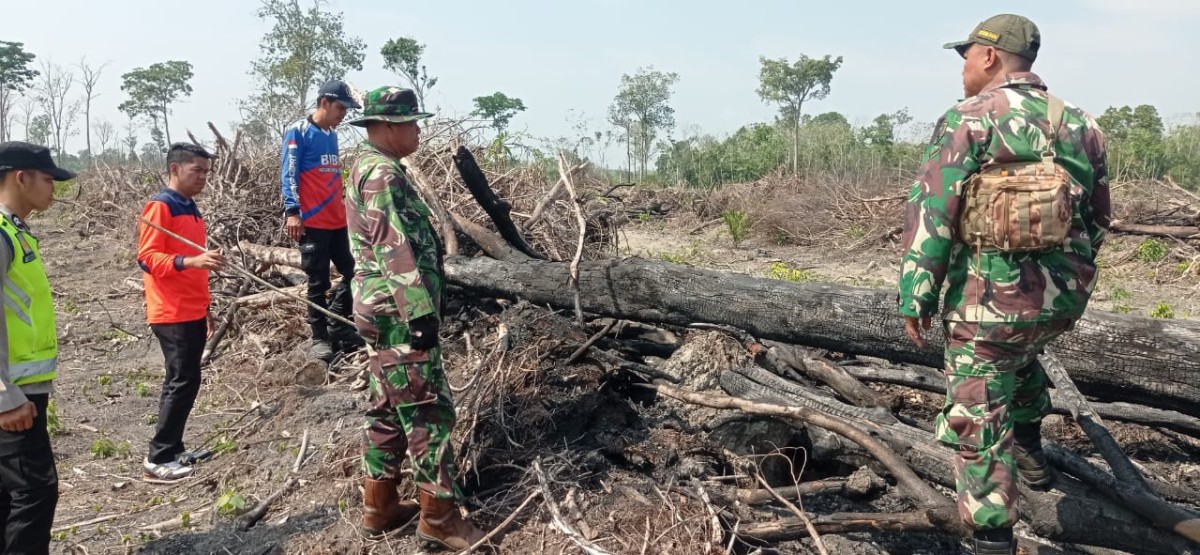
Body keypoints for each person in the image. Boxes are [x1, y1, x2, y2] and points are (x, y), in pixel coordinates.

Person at [897, 14, 1110, 555]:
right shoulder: (1082, 123)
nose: (964, 66)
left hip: (988, 305)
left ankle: (992, 537)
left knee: (977, 406)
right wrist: (1067, 280)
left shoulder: (968, 118)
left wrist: (916, 295)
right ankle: (1034, 452)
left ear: (989, 57)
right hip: (1060, 304)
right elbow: (1099, 218)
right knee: (1018, 353)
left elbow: (933, 214)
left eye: (966, 55)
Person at [342, 86, 485, 550]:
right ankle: (439, 518)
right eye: (413, 122)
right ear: (387, 127)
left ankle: (379, 507)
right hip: (397, 316)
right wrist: (420, 313)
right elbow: (392, 245)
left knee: (387, 408)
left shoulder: (371, 166)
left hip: (381, 311)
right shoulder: (382, 174)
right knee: (428, 411)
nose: (419, 129)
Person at [0, 141, 74, 554]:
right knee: (35, 491)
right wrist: (5, 393)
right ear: (21, 177)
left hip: (23, 388)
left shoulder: (15, 230)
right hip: (13, 395)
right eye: (48, 179)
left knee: (10, 492)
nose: (53, 188)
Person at [137, 143, 226, 481]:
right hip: (170, 310)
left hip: (191, 307)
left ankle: (173, 448)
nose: (203, 177)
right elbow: (147, 258)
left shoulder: (189, 206)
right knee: (182, 380)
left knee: (184, 379)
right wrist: (193, 260)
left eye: (206, 171)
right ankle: (158, 457)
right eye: (196, 171)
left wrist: (205, 305)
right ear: (175, 169)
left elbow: (189, 260)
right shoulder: (161, 207)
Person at [280, 80, 364, 362]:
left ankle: (337, 323)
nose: (343, 114)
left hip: (337, 221)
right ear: (324, 103)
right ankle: (319, 338)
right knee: (318, 283)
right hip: (312, 222)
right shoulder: (299, 132)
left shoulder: (331, 134)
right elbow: (289, 173)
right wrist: (292, 211)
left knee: (356, 272)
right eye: (340, 108)